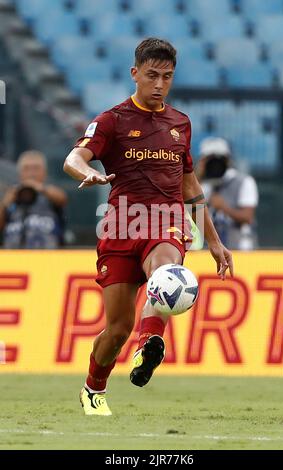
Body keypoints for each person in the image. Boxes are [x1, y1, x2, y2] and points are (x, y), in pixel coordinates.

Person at [63, 38, 233, 416]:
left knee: (167, 272)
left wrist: (215, 242)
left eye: (167, 77)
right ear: (135, 74)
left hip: (166, 222)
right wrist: (88, 172)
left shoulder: (180, 124)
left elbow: (190, 187)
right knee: (117, 329)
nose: (159, 84)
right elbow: (73, 157)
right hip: (122, 226)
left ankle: (150, 343)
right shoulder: (112, 120)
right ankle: (94, 388)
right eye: (152, 75)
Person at [195, 137, 259, 250]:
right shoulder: (202, 186)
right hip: (210, 250)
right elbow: (193, 218)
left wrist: (224, 207)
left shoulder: (244, 182)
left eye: (219, 160)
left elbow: (248, 217)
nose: (215, 164)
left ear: (228, 161)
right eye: (209, 159)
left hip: (240, 248)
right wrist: (198, 175)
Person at [0, 150, 67, 248]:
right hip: (12, 258)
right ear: (19, 173)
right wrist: (5, 204)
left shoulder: (50, 194)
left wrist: (40, 188)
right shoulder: (12, 195)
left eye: (36, 168)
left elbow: (63, 199)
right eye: (26, 168)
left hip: (48, 258)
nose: (31, 173)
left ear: (45, 172)